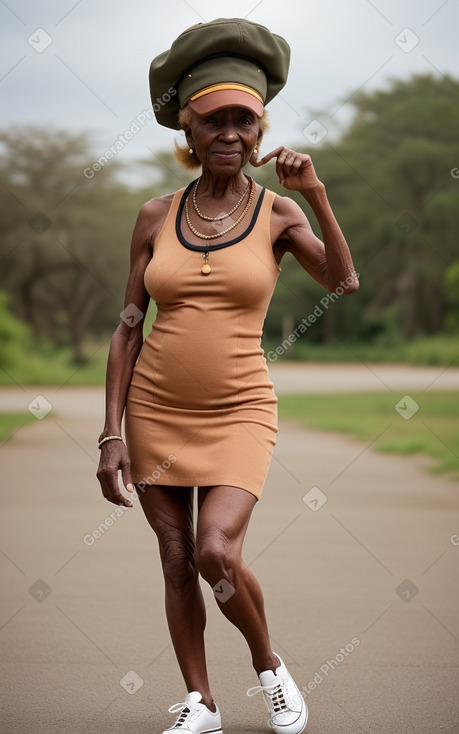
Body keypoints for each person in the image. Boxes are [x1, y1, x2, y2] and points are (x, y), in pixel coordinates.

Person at [96, 17, 358, 734]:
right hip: (154, 413)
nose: (231, 134)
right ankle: (199, 703)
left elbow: (343, 281)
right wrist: (108, 435)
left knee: (215, 549)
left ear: (259, 126)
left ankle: (269, 667)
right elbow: (127, 326)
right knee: (178, 560)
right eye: (215, 120)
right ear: (188, 131)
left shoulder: (276, 213)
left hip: (240, 408)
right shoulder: (155, 215)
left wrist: (316, 197)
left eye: (245, 119)